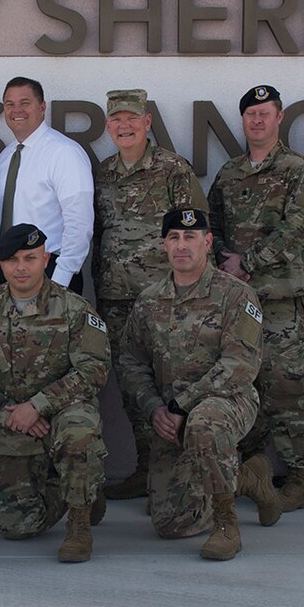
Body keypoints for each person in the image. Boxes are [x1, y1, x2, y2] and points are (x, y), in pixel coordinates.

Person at [0, 224, 111, 563]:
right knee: (17, 527)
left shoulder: (74, 308)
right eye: (12, 260)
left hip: (62, 417)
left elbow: (93, 369)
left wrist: (39, 405)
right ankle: (78, 489)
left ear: (46, 259)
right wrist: (7, 412)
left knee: (79, 427)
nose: (21, 267)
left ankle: (80, 523)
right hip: (9, 422)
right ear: (1, 263)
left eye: (30, 258)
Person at [114, 207, 264, 561]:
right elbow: (131, 361)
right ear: (164, 245)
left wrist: (182, 406)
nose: (182, 245)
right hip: (171, 415)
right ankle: (247, 478)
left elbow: (239, 364)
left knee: (204, 423)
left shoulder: (235, 295)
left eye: (191, 237)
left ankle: (226, 524)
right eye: (174, 237)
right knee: (170, 523)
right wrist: (154, 409)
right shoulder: (149, 300)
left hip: (228, 402)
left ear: (208, 242)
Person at [209, 85, 304, 520]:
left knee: (287, 386)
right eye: (250, 114)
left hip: (278, 299)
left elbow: (299, 228)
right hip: (236, 303)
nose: (257, 120)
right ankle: (252, 475)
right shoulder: (230, 172)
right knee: (243, 387)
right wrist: (223, 258)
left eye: (265, 113)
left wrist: (248, 262)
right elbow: (213, 224)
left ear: (279, 118)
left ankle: (298, 480)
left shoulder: (299, 170)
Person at [91, 88, 203, 501]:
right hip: (118, 299)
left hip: (164, 298)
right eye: (116, 120)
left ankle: (177, 471)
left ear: (147, 123)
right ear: (109, 125)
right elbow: (98, 235)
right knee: (133, 385)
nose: (124, 126)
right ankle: (145, 466)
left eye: (131, 119)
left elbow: (194, 235)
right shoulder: (102, 173)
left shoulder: (173, 169)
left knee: (172, 380)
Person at [0, 77, 94, 290]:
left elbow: (80, 222)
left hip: (51, 271)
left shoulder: (64, 152)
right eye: (10, 104)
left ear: (42, 107)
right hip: (9, 273)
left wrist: (60, 281)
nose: (16, 110)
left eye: (25, 103)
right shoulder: (6, 156)